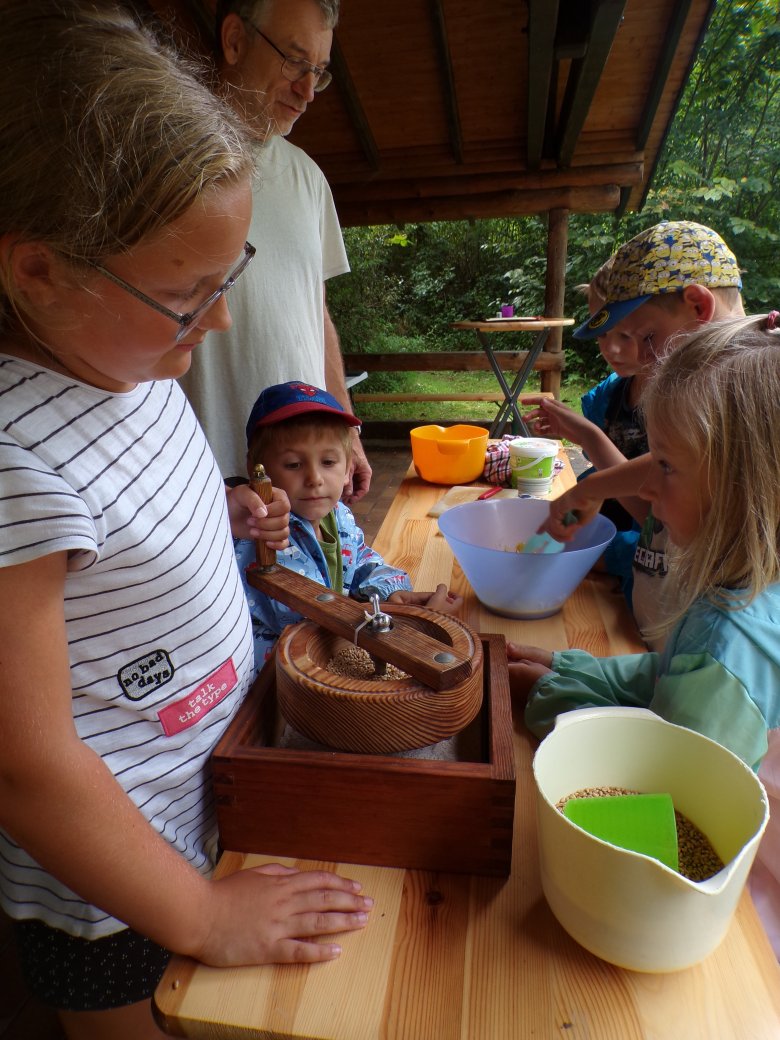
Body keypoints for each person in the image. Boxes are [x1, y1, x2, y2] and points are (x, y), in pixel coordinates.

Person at [0, 5, 373, 1038]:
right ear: (36, 269)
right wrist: (200, 909)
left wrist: (219, 506)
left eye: (229, 279)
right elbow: (23, 764)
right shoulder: (10, 452)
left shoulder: (126, 357)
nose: (214, 322)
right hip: (110, 882)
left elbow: (118, 520)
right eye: (185, 293)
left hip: (211, 791)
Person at [507, 315, 780, 958]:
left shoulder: (727, 646)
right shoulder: (741, 587)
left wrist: (554, 702)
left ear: (743, 489)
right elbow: (669, 677)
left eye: (667, 468)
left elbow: (657, 809)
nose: (646, 486)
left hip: (713, 910)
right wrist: (575, 668)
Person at [177, 0, 372, 501]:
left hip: (309, 483)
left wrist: (344, 431)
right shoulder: (167, 158)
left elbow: (316, 311)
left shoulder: (308, 176)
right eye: (294, 61)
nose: (308, 90)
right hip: (208, 482)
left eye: (319, 72)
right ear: (235, 40)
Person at [524, 221, 745, 645]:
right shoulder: (702, 376)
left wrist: (589, 490)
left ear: (699, 306)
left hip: (718, 644)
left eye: (646, 336)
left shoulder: (746, 376)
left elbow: (680, 462)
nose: (643, 357)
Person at [236, 381, 462, 670]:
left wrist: (390, 592)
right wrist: (403, 624)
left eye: (328, 462)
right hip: (279, 667)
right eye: (293, 465)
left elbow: (360, 558)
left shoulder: (337, 514)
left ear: (347, 468)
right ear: (257, 470)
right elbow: (306, 613)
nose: (314, 478)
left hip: (333, 642)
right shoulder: (264, 530)